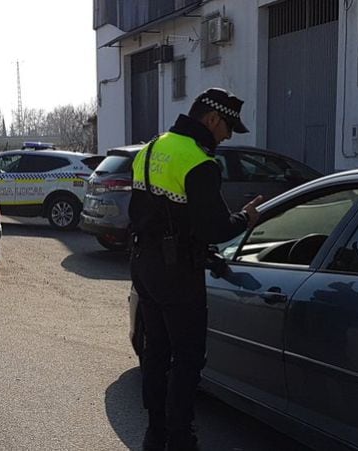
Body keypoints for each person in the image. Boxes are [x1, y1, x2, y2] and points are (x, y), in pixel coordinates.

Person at [128, 88, 263, 451]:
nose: (228, 136)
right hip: (177, 274)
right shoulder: (199, 161)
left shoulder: (151, 148)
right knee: (187, 358)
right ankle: (180, 438)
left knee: (156, 351)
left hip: (143, 264)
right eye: (228, 127)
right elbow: (215, 230)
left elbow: (140, 213)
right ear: (212, 119)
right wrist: (246, 218)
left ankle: (155, 434)